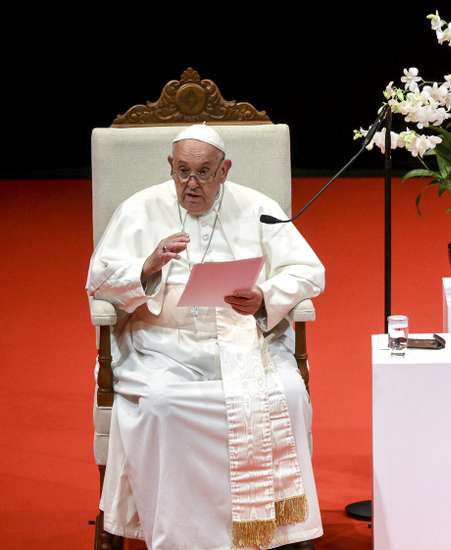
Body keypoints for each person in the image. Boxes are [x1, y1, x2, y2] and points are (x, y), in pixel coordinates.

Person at [87, 124, 324, 549]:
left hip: (245, 340)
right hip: (162, 344)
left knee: (286, 393)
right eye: (182, 172)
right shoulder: (139, 209)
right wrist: (148, 266)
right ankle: (181, 535)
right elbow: (98, 279)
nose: (191, 185)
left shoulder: (257, 208)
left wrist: (264, 296)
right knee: (160, 405)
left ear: (224, 170)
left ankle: (275, 530)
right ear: (170, 168)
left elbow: (310, 271)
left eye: (203, 172)